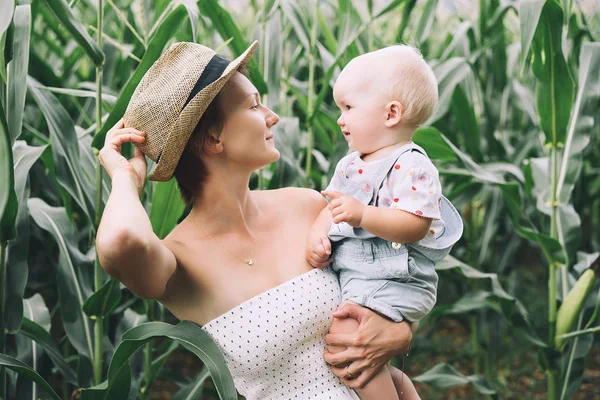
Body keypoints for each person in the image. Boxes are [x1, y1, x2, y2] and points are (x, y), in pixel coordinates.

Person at [95, 40, 418, 399]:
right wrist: (126, 178)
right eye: (253, 105)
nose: (272, 115)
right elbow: (118, 242)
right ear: (214, 136)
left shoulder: (308, 206)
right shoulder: (178, 263)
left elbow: (392, 275)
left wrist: (400, 332)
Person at [306, 45, 463, 400]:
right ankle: (403, 393)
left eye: (348, 107)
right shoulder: (350, 163)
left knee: (348, 339)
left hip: (397, 275)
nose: (340, 118)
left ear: (391, 113)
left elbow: (415, 225)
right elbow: (330, 205)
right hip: (363, 274)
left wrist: (364, 215)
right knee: (378, 365)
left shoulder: (412, 165)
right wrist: (318, 234)